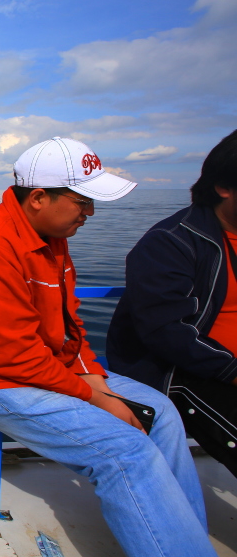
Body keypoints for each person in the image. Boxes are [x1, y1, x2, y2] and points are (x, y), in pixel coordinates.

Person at [0, 137, 216, 557]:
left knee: (164, 415)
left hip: (45, 369)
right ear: (39, 197)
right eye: (82, 201)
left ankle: (185, 541)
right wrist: (96, 396)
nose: (91, 213)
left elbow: (69, 324)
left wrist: (94, 377)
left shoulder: (49, 237)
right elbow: (7, 356)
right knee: (125, 451)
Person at [108, 129, 237, 479]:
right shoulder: (170, 243)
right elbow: (166, 332)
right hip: (183, 373)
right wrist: (232, 369)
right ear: (224, 187)